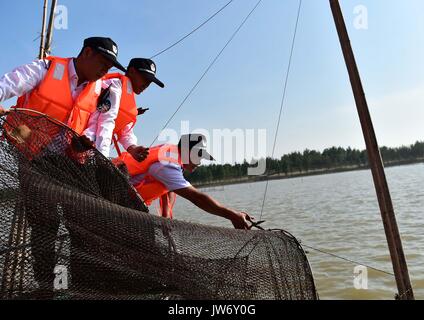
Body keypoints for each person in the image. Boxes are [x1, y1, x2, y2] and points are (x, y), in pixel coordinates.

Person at [0, 36, 125, 296]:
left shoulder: (100, 89)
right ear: (87, 53)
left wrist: (84, 145)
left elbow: (95, 129)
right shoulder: (44, 69)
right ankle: (48, 288)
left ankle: (80, 286)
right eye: (104, 62)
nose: (106, 70)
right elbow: (6, 86)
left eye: (110, 65)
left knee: (82, 225)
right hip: (32, 160)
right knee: (44, 226)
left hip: (69, 166)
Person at [117, 134, 254, 229]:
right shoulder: (167, 164)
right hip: (112, 194)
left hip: (125, 201)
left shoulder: (172, 156)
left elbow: (167, 190)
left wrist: (165, 218)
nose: (199, 162)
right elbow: (197, 198)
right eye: (198, 155)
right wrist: (232, 215)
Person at [84, 58, 165, 162]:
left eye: (149, 82)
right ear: (131, 72)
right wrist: (103, 159)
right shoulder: (114, 86)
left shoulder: (128, 95)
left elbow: (124, 131)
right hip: (81, 142)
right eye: (145, 79)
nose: (146, 85)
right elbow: (105, 122)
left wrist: (132, 148)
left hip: (90, 150)